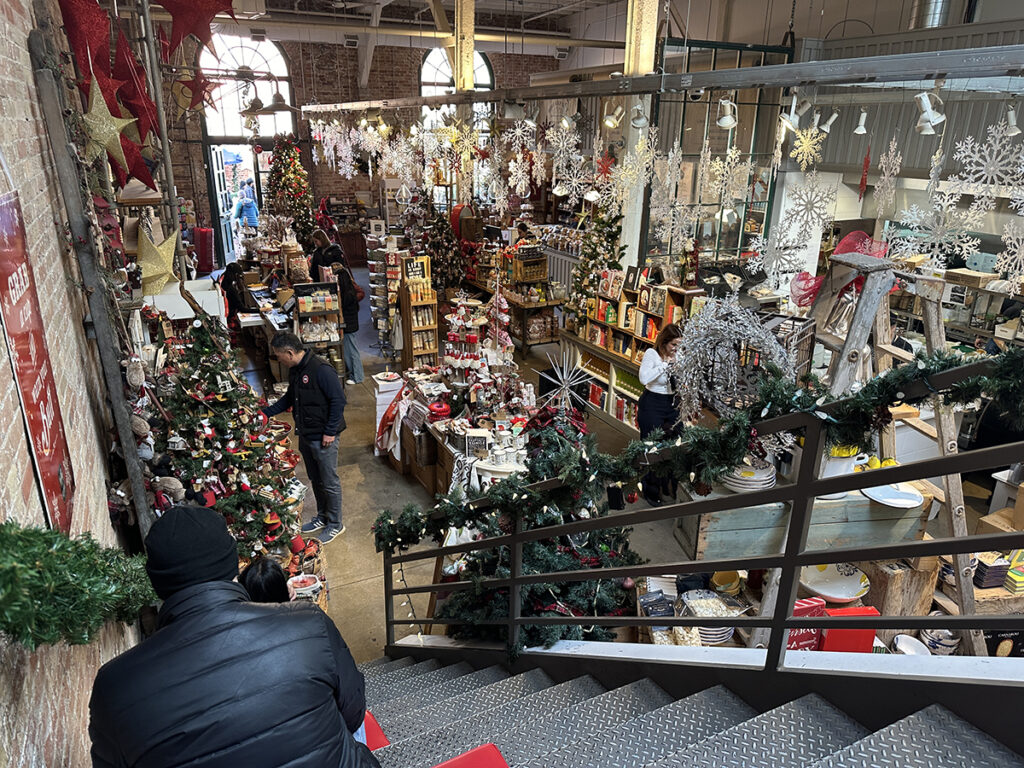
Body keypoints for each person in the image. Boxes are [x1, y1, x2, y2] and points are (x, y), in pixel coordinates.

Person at [89, 506, 378, 768]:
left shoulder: (113, 687)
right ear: (231, 564)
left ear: (157, 583)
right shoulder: (308, 624)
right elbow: (353, 714)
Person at [262, 332, 348, 542]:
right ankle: (322, 516)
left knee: (329, 481)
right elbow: (290, 399)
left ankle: (336, 524)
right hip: (307, 434)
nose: (278, 359)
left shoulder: (321, 369)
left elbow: (339, 400)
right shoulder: (296, 370)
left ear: (290, 352)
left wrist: (329, 431)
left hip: (324, 437)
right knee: (315, 479)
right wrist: (265, 413)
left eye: (279, 355)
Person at [637, 323, 684, 506]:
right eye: (674, 345)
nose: (676, 349)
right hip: (652, 403)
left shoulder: (679, 355)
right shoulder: (652, 354)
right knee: (651, 447)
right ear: (664, 342)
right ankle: (651, 489)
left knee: (677, 442)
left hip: (672, 403)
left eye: (680, 345)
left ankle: (670, 485)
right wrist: (665, 366)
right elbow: (644, 378)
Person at [332, 262, 364, 385]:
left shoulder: (346, 296)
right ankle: (354, 374)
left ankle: (357, 376)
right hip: (350, 324)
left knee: (352, 350)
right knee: (350, 349)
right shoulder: (350, 291)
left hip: (348, 325)